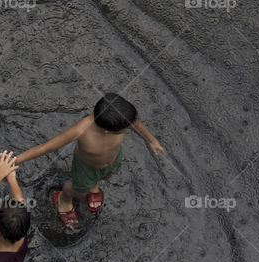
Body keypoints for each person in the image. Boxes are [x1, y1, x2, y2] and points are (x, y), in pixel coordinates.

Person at [13, 92, 164, 229]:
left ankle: (93, 185)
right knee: (78, 190)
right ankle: (63, 199)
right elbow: (46, 148)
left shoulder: (122, 119)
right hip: (86, 167)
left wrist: (151, 140)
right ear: (108, 131)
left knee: (106, 176)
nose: (130, 127)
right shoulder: (83, 130)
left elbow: (136, 124)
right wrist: (14, 161)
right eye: (126, 128)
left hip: (112, 161)